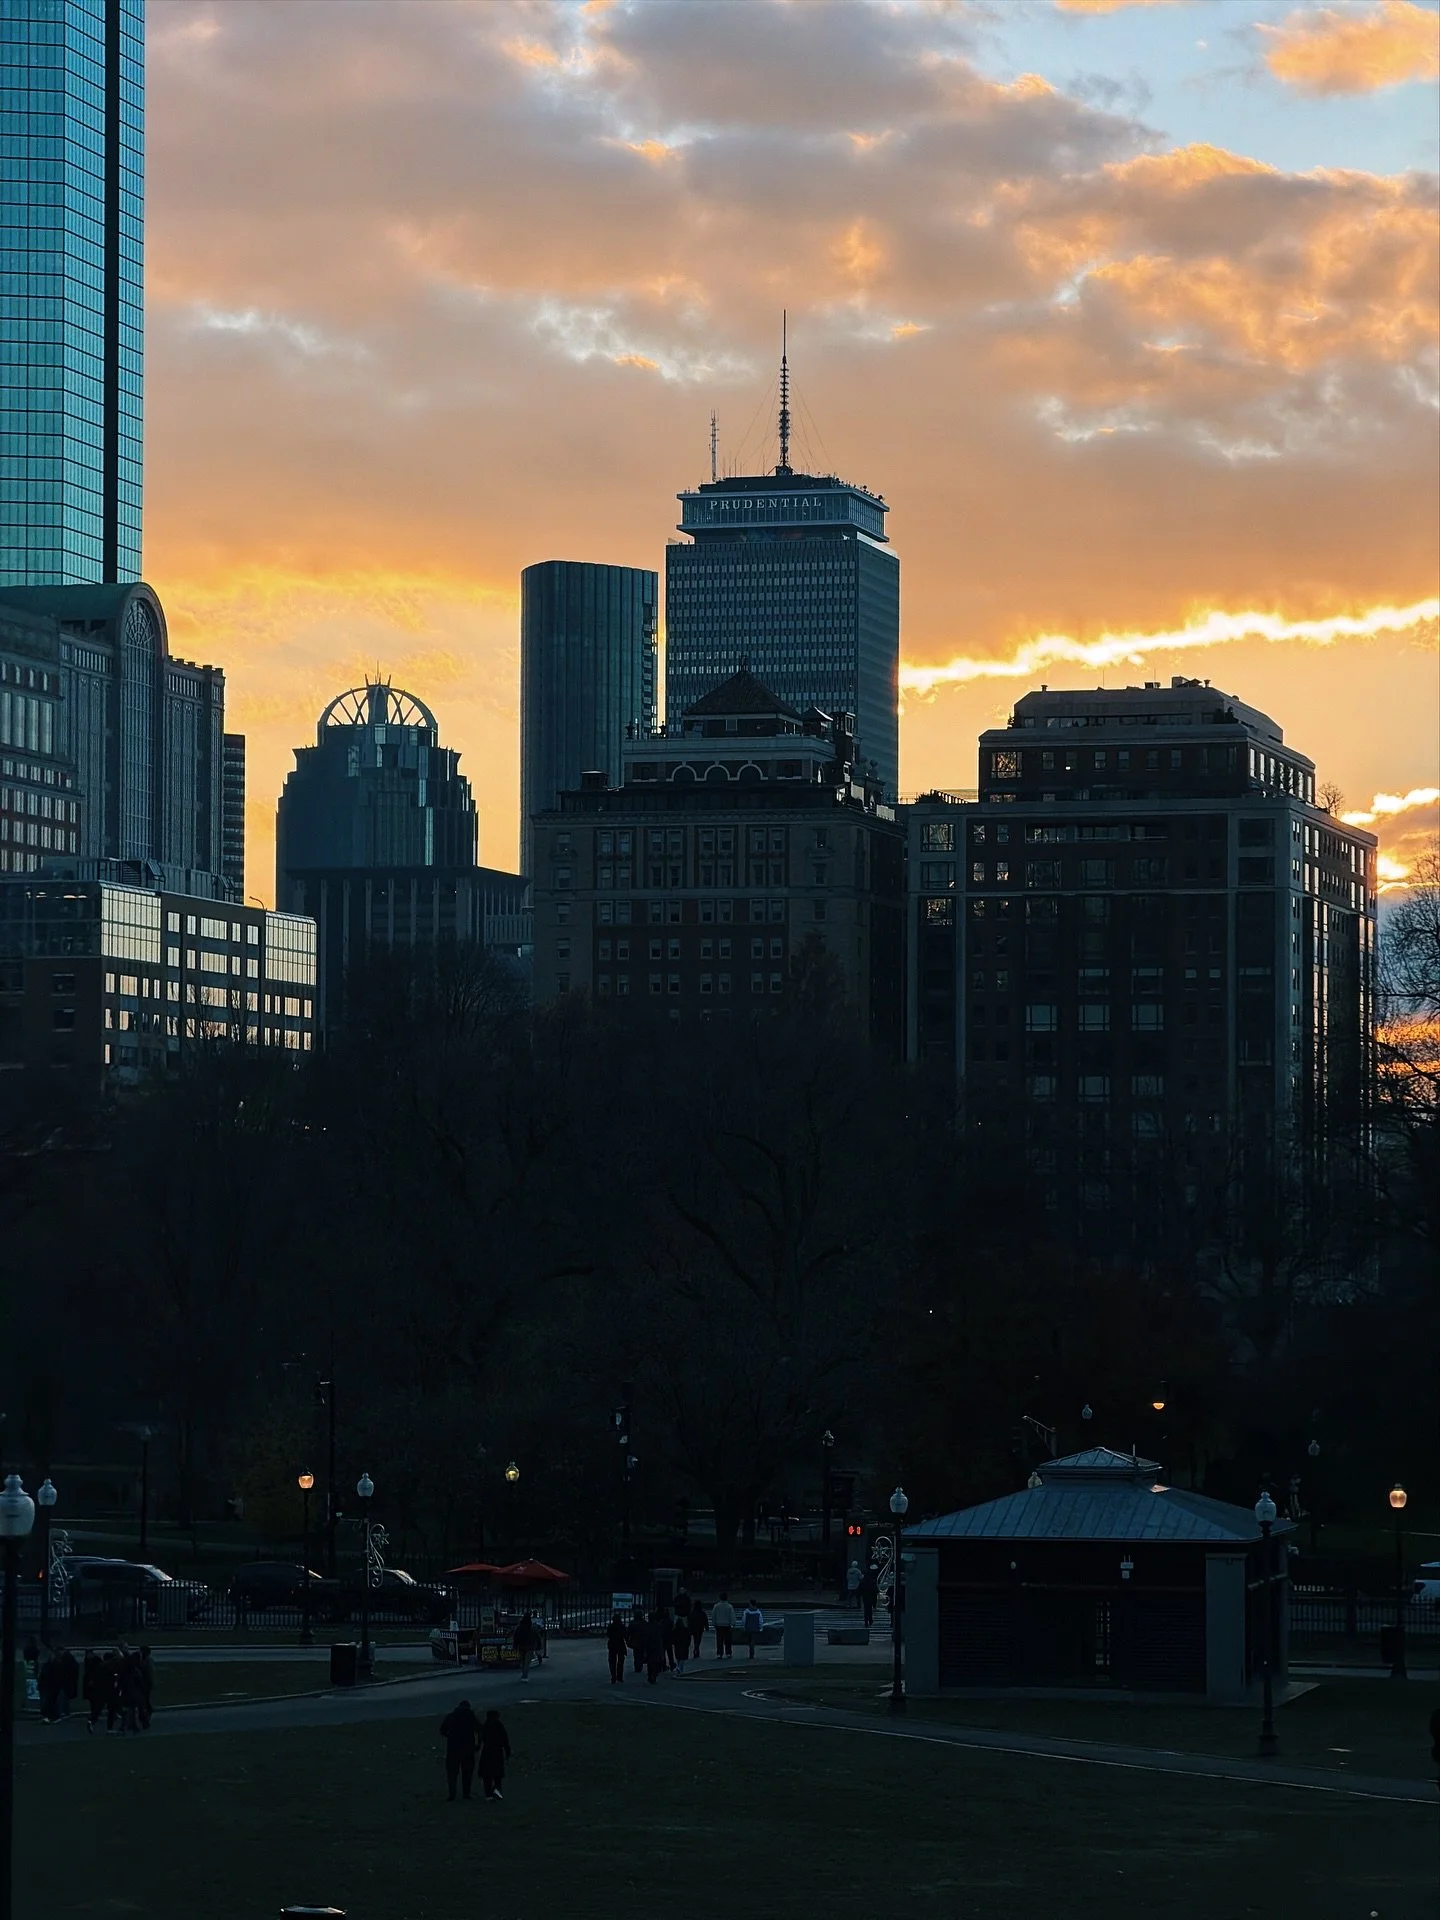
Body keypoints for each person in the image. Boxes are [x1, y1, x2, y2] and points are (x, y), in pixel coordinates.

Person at [438, 1699, 482, 1801]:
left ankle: (452, 1794)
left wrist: (450, 1736)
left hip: (453, 1748)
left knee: (452, 1773)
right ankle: (466, 1794)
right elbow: (480, 1730)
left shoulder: (451, 1716)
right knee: (467, 1772)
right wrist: (478, 1744)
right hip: (468, 1748)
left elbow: (442, 1730)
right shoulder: (471, 1717)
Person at [479, 1708, 511, 1801]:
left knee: (487, 1775)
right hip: (497, 1751)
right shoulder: (499, 1726)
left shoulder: (485, 1726)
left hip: (487, 1751)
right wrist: (508, 1752)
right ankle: (497, 1792)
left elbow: (481, 1738)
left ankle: (488, 1794)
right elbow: (505, 1740)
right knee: (497, 1775)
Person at [82, 1650, 105, 1733]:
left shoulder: (94, 1662)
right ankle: (93, 1717)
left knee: (96, 1702)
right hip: (92, 1686)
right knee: (95, 1702)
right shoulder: (90, 1662)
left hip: (94, 1686)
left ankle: (93, 1717)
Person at [513, 1612, 539, 1680]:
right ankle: (525, 1675)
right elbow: (537, 1637)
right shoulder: (532, 1628)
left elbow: (515, 1637)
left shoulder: (519, 1628)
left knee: (523, 1661)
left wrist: (515, 1646)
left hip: (521, 1646)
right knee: (527, 1662)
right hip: (530, 1646)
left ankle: (523, 1673)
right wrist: (538, 1646)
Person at [643, 1609, 667, 1684]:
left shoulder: (646, 1626)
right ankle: (654, 1674)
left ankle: (650, 1674)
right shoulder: (658, 1626)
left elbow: (645, 1637)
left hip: (649, 1646)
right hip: (656, 1645)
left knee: (650, 1661)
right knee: (656, 1661)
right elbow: (661, 1637)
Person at [606, 1611, 629, 1685]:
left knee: (612, 1661)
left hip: (612, 1645)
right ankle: (620, 1676)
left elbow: (608, 1635)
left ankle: (613, 1677)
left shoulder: (611, 1627)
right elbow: (626, 1636)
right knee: (620, 1661)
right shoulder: (622, 1627)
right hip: (620, 1644)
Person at [711, 1592, 735, 1659]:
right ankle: (728, 1653)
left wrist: (714, 1623)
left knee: (719, 1640)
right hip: (727, 1625)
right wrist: (732, 1624)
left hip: (719, 1625)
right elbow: (732, 1616)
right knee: (728, 1640)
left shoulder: (716, 1606)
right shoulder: (729, 1606)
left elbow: (713, 1615)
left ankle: (719, 1653)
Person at [56, 1646, 79, 1718]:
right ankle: (66, 1712)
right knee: (65, 1698)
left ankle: (61, 1713)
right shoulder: (69, 1658)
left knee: (62, 1697)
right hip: (68, 1682)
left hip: (65, 1681)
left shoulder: (66, 1658)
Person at [136, 1646, 155, 1729]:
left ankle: (145, 1719)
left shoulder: (146, 1661)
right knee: (144, 1702)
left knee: (143, 1702)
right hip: (145, 1685)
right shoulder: (148, 1661)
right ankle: (145, 1718)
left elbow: (146, 1672)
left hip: (145, 1685)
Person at [670, 1610, 692, 1676]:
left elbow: (672, 1638)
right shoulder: (686, 1630)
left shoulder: (675, 1630)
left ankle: (680, 1668)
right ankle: (680, 1668)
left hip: (677, 1645)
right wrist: (688, 1643)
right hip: (684, 1645)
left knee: (679, 1657)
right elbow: (688, 1637)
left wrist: (674, 1643)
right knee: (683, 1657)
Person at [627, 1607, 646, 1676]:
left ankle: (637, 1666)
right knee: (641, 1653)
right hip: (642, 1641)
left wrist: (628, 1640)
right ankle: (640, 1665)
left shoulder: (632, 1623)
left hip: (635, 1641)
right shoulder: (644, 1623)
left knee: (636, 1654)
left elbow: (628, 1633)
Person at [860, 1563, 879, 1630]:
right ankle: (870, 1620)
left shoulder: (864, 1580)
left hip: (865, 1595)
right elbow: (874, 1588)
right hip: (871, 1595)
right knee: (869, 1608)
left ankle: (866, 1621)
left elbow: (861, 1587)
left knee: (866, 1609)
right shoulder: (872, 1579)